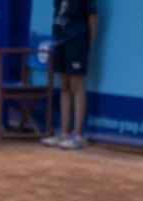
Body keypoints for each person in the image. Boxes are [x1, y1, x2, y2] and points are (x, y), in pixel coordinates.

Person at [41, 0, 98, 150]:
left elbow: (93, 18)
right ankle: (64, 133)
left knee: (76, 85)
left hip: (77, 40)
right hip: (60, 40)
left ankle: (78, 136)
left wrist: (87, 44)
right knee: (64, 85)